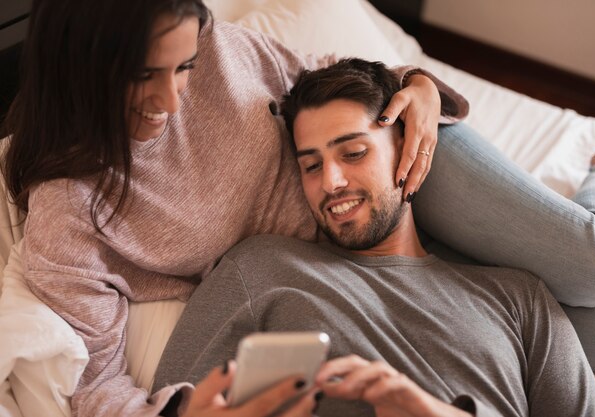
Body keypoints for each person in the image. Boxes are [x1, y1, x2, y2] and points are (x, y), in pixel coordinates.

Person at [1, 1, 469, 416]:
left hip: (395, 174)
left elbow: (315, 80)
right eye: (144, 75)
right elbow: (95, 387)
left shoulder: (214, 47)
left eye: (183, 66)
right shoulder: (71, 213)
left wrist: (413, 83)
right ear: (77, 68)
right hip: (328, 268)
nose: (170, 101)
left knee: (535, 266)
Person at [153, 58, 595, 416]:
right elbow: (175, 400)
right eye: (311, 165)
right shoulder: (260, 269)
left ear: (408, 147)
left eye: (353, 153)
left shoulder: (519, 297)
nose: (330, 181)